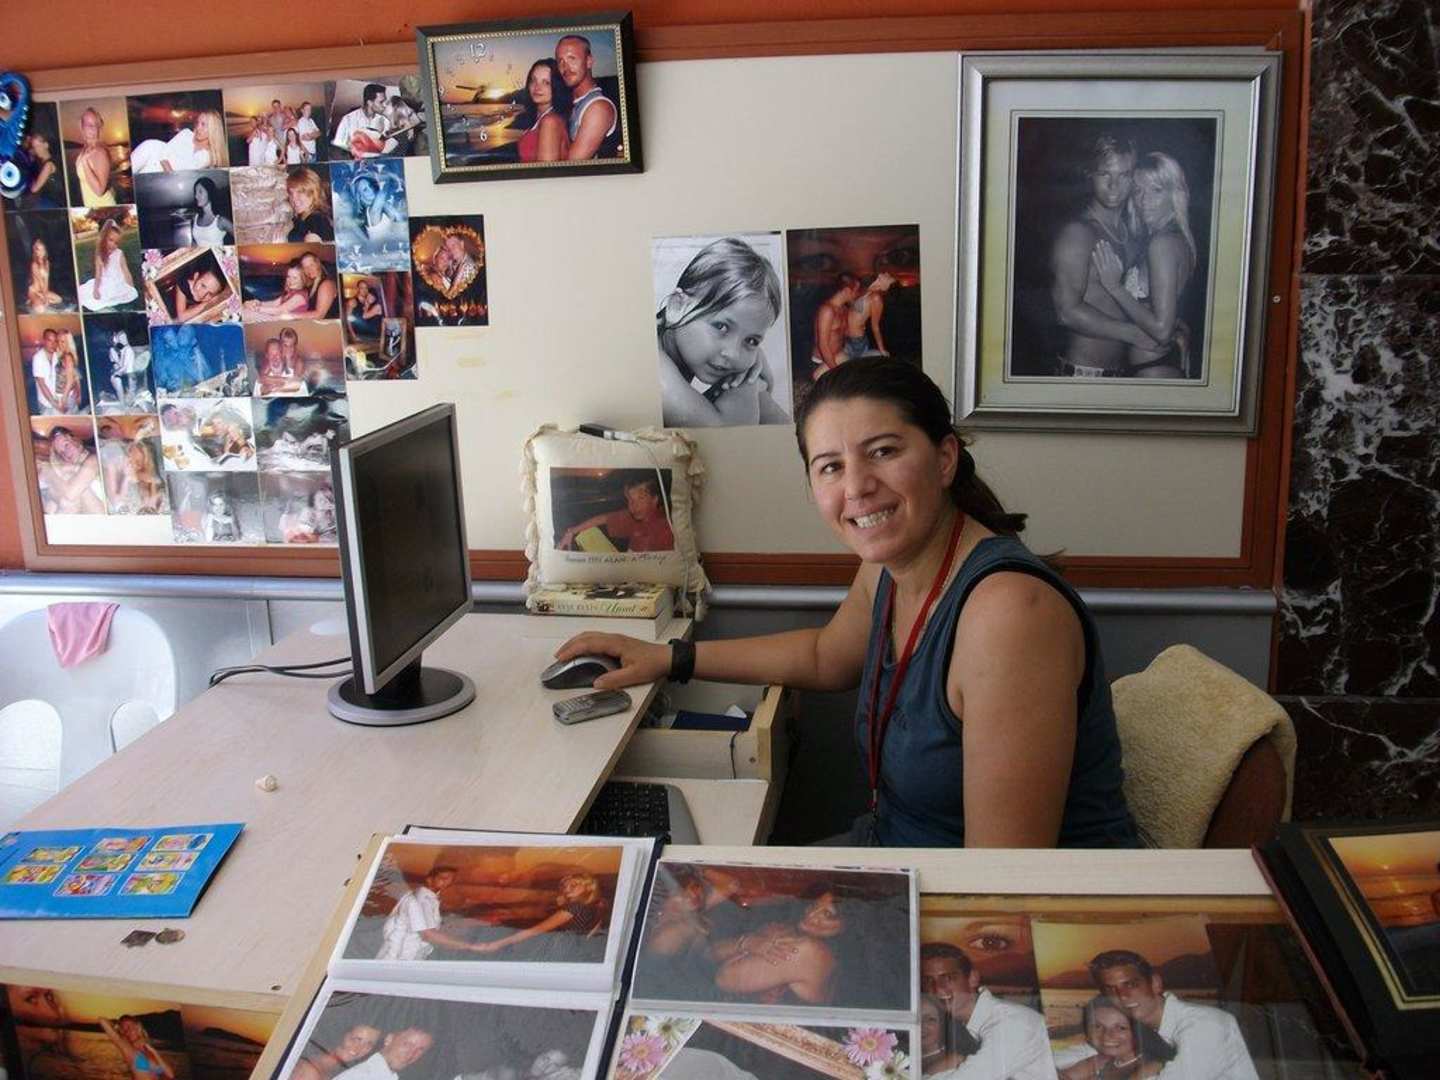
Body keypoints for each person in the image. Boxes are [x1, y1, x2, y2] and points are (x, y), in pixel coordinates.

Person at [560, 357, 1138, 848]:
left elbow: (1001, 881)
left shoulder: (1009, 613)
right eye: (831, 466)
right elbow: (825, 656)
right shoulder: (888, 565)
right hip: (896, 854)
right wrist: (670, 658)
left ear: (944, 459)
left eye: (883, 451)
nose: (857, 486)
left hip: (1000, 912)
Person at [1050, 134, 1162, 377]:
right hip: (1081, 374)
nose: (1114, 185)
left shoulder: (1132, 233)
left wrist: (1172, 326)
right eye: (1104, 174)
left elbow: (1130, 302)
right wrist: (1134, 334)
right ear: (1090, 174)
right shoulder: (1078, 233)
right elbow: (1065, 312)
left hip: (1121, 374)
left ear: (1134, 177)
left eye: (1124, 175)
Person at [656, 237, 788, 427]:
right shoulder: (652, 363)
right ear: (677, 306)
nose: (733, 353)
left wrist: (753, 374)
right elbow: (731, 433)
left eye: (751, 340)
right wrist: (749, 383)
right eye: (721, 326)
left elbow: (767, 384)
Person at [1091, 151, 1196, 379]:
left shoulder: (1162, 243)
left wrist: (1114, 287)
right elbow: (1165, 313)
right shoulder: (1172, 237)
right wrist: (1179, 325)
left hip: (1154, 370)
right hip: (1154, 365)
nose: (1144, 201)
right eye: (1138, 191)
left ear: (1174, 193)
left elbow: (1161, 330)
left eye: (1156, 190)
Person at [1087, 950, 1258, 1080]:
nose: (1122, 996)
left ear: (1155, 983)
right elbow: (1090, 1048)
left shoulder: (1204, 1024)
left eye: (1131, 984)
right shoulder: (1144, 1027)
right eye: (1111, 989)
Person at [920, 943, 1055, 1080]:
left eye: (948, 978)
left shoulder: (1010, 1022)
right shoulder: (968, 1025)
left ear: (972, 979)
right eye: (928, 981)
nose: (937, 988)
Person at [467, 872, 606, 960]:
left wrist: (497, 944)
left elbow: (537, 929)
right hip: (577, 948)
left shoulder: (574, 907)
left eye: (574, 885)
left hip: (562, 949)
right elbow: (594, 928)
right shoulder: (596, 904)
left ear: (588, 887)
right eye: (565, 886)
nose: (567, 889)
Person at [1058, 995, 1177, 1080]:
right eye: (1098, 1026)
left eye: (1121, 1028)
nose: (1107, 1035)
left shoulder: (1152, 1067)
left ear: (1140, 1030)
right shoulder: (1103, 1060)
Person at [376, 866, 481, 960]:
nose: (448, 883)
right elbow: (427, 935)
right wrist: (470, 946)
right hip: (400, 957)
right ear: (429, 880)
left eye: (451, 880)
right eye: (444, 878)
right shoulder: (422, 900)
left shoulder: (429, 898)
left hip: (409, 955)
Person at [558, 475, 674, 552]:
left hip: (640, 573)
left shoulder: (666, 528)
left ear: (655, 499)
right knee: (587, 533)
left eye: (641, 498)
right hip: (626, 566)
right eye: (630, 500)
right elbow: (604, 518)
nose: (634, 505)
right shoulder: (633, 517)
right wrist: (571, 532)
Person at [554, 35, 618, 160]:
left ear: (589, 61)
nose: (565, 67)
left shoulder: (598, 108)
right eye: (560, 61)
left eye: (572, 59)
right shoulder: (572, 103)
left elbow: (572, 167)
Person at [130, 109, 226, 173]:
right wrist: (172, 176)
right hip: (152, 153)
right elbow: (163, 154)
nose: (198, 128)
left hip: (163, 177)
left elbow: (189, 173)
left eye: (203, 124)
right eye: (197, 123)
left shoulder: (209, 157)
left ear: (213, 129)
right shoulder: (186, 134)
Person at [516, 58, 572, 163]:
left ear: (557, 86)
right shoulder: (543, 118)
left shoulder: (550, 122)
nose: (537, 87)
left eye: (546, 82)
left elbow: (546, 171)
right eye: (533, 80)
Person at [39, 426, 104, 513]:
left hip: (102, 515)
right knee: (62, 495)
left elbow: (70, 495)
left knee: (66, 490)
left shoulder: (94, 460)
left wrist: (49, 472)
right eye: (61, 453)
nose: (66, 454)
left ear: (76, 440)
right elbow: (51, 508)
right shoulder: (68, 470)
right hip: (81, 515)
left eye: (66, 445)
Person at [79, 219, 139, 311]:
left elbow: (125, 270)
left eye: (116, 243)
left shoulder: (119, 253)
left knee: (128, 292)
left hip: (118, 281)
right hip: (105, 281)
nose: (113, 245)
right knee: (89, 294)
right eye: (111, 240)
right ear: (104, 239)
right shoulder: (100, 255)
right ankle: (106, 308)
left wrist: (131, 285)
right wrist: (96, 289)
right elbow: (98, 275)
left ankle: (112, 305)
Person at [810, 273, 861, 379]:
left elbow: (845, 334)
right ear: (847, 290)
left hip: (838, 357)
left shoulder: (844, 309)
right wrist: (837, 371)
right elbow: (823, 345)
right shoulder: (827, 311)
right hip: (823, 362)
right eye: (856, 291)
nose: (857, 294)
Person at [921, 992, 982, 1078]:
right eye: (917, 1019)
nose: (922, 1025)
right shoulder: (903, 1057)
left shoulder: (956, 1062)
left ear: (941, 1024)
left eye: (931, 1019)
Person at [335, 1028, 434, 1080]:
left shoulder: (385, 1076)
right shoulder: (361, 1076)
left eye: (420, 1050)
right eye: (407, 1044)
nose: (411, 1054)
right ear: (389, 1039)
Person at [291, 1024, 382, 1080]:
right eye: (357, 1039)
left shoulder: (339, 1071)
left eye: (368, 1045)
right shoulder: (307, 1070)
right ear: (344, 1034)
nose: (359, 1048)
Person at [333, 83, 397, 158]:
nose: (384, 105)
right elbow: (338, 146)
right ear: (369, 102)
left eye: (385, 102)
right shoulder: (348, 120)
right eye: (381, 102)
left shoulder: (385, 121)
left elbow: (388, 147)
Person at [98, 1015, 174, 1079]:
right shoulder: (128, 1049)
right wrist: (117, 1028)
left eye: (129, 1026)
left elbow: (170, 1075)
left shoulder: (149, 1051)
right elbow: (102, 1020)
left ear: (138, 1026)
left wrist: (154, 1052)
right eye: (124, 1029)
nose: (127, 1031)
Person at [847, 272, 897, 358]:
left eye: (889, 277)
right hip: (846, 338)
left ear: (884, 286)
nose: (886, 273)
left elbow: (875, 326)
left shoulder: (876, 298)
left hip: (857, 340)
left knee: (855, 364)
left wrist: (881, 349)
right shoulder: (866, 290)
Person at [75, 106, 117, 207]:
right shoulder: (86, 148)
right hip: (92, 206)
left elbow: (99, 191)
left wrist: (85, 163)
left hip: (104, 207)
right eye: (89, 125)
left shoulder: (99, 152)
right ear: (82, 127)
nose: (93, 128)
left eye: (95, 125)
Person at [109, 438, 165, 514]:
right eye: (129, 454)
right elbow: (116, 501)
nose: (131, 463)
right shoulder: (115, 468)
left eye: (137, 462)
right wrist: (126, 478)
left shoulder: (153, 484)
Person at [286, 167, 334, 243]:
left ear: (313, 193)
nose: (294, 199)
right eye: (291, 193)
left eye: (300, 192)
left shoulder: (317, 221)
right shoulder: (301, 218)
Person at [19, 130, 62, 208]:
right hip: (47, 201)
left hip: (53, 204)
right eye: (34, 147)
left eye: (38, 146)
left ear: (46, 145)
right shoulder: (40, 163)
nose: (36, 150)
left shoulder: (48, 165)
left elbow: (34, 189)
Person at [188, 176, 234, 246]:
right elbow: (194, 243)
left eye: (200, 192)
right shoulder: (195, 218)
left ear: (209, 192)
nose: (196, 196)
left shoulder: (221, 221)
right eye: (195, 192)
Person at [25, 237, 65, 313]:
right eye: (39, 250)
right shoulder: (34, 265)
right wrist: (44, 298)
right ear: (36, 252)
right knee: (41, 309)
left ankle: (35, 301)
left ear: (45, 251)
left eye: (43, 250)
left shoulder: (47, 263)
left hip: (42, 290)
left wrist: (44, 295)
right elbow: (40, 281)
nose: (41, 252)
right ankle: (33, 301)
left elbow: (46, 281)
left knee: (59, 299)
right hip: (34, 291)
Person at [30, 328, 63, 413]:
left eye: (55, 341)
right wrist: (55, 404)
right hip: (45, 403)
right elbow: (42, 384)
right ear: (44, 341)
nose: (53, 344)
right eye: (49, 340)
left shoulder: (58, 355)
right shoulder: (37, 358)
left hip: (58, 400)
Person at [301, 251, 339, 318]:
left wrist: (291, 316)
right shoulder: (311, 284)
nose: (309, 269)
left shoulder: (327, 284)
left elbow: (320, 315)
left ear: (318, 263)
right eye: (305, 267)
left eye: (311, 265)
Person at [109, 328, 141, 407]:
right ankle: (123, 403)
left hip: (130, 375)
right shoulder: (122, 350)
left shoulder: (128, 350)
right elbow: (120, 365)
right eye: (121, 338)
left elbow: (125, 367)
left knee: (130, 400)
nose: (124, 339)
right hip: (126, 375)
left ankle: (125, 404)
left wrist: (115, 373)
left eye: (124, 337)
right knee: (117, 381)